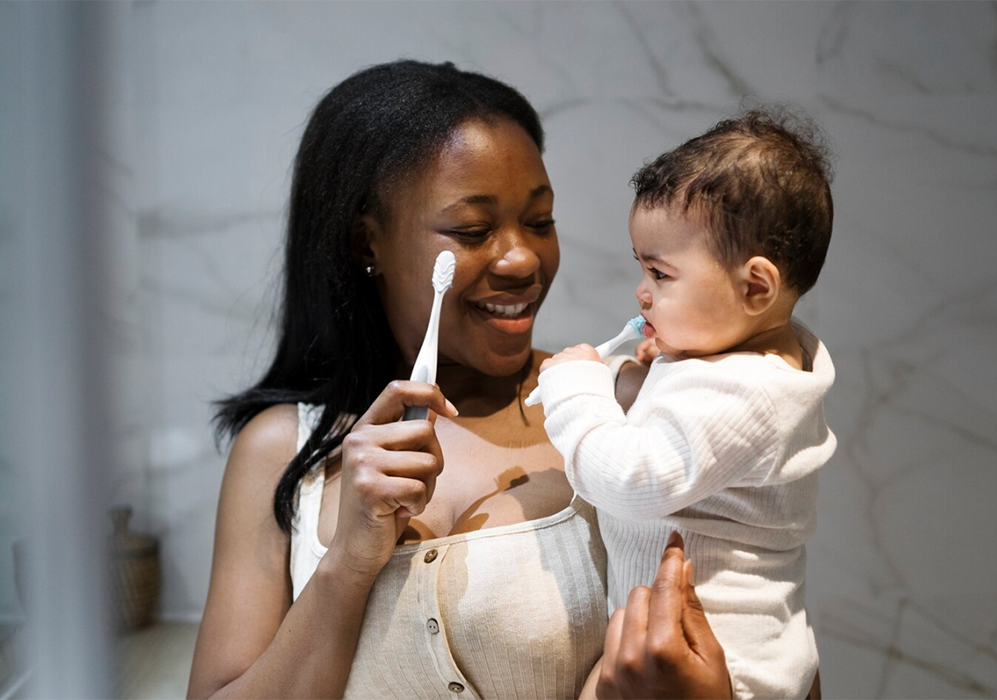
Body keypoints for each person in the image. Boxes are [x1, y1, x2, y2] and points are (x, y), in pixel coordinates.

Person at [186, 59, 738, 700]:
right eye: (473, 230)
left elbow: (772, 637)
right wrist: (348, 564)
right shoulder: (282, 450)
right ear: (368, 243)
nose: (522, 258)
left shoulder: (629, 412)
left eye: (540, 221)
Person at [535, 109, 836, 699]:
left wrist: (575, 390)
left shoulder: (750, 393)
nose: (641, 291)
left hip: (723, 664)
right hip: (692, 647)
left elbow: (629, 478)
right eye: (640, 267)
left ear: (755, 288)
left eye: (660, 273)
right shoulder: (737, 364)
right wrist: (642, 383)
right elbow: (679, 444)